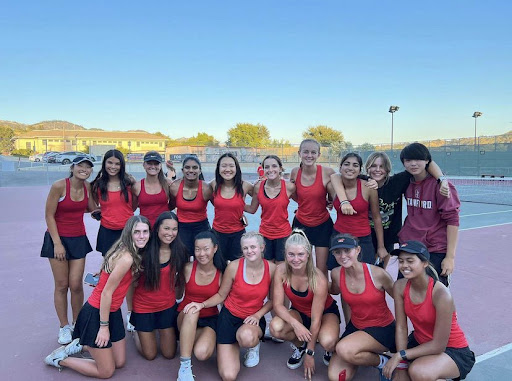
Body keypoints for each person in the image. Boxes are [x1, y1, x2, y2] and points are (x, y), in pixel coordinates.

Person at [44, 216, 151, 378]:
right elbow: (107, 293)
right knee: (106, 371)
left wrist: (102, 277)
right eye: (137, 232)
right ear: (129, 233)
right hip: (97, 312)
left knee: (120, 362)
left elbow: (109, 271)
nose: (141, 236)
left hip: (112, 310)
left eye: (145, 232)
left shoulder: (126, 248)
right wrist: (103, 327)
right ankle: (59, 358)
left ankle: (83, 345)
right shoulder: (127, 258)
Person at [183, 231, 276, 381]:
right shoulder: (233, 267)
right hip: (229, 318)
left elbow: (273, 301)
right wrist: (202, 304)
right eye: (245, 248)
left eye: (253, 247)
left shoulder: (272, 269)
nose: (249, 251)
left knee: (246, 337)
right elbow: (221, 295)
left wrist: (258, 315)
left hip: (252, 319)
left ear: (262, 247)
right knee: (228, 376)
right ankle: (232, 344)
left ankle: (253, 346)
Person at [333, 152, 450, 268]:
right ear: (367, 168)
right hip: (366, 235)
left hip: (388, 235)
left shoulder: (397, 182)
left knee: (380, 271)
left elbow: (428, 162)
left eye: (382, 166)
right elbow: (335, 177)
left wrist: (442, 179)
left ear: (387, 169)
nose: (377, 170)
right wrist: (342, 201)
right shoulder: (362, 180)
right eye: (373, 166)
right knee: (361, 270)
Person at [382, 241, 475, 381]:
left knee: (419, 372)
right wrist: (401, 364)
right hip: (420, 343)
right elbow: (401, 327)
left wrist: (401, 354)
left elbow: (438, 345)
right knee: (399, 376)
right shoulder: (400, 287)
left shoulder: (441, 295)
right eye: (401, 261)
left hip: (451, 349)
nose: (404, 266)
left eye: (410, 261)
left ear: (425, 263)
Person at [270, 230, 340, 381]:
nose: (296, 259)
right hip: (299, 312)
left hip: (324, 313)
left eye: (300, 254)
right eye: (291, 254)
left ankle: (322, 348)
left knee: (327, 341)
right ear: (285, 254)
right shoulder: (281, 271)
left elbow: (316, 319)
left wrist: (311, 353)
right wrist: (296, 324)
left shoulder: (318, 279)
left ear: (308, 254)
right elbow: (277, 305)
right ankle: (301, 345)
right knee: (276, 327)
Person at [41, 156, 96, 345]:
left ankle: (77, 324)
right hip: (57, 239)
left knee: (76, 285)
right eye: (80, 165)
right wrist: (57, 243)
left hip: (79, 238)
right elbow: (49, 214)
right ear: (72, 167)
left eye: (88, 167)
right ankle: (64, 326)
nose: (84, 169)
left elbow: (91, 208)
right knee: (62, 285)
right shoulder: (59, 186)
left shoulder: (87, 187)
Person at [328, 234, 396, 381]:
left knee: (343, 349)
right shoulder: (336, 274)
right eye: (337, 252)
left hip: (382, 328)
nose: (343, 256)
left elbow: (400, 300)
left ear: (358, 250)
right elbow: (334, 291)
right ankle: (363, 352)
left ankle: (382, 362)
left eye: (347, 250)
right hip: (356, 327)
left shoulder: (378, 274)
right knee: (335, 377)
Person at [397, 143, 460, 286]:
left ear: (427, 161)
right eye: (408, 160)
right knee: (404, 292)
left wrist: (450, 257)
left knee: (433, 297)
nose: (413, 164)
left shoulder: (442, 186)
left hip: (434, 250)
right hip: (409, 247)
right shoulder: (405, 182)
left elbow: (453, 220)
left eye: (418, 159)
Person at [129, 212, 188, 360]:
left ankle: (154, 330)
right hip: (143, 306)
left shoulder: (180, 250)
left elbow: (180, 280)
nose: (170, 233)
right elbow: (130, 283)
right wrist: (130, 310)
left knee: (169, 354)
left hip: (166, 306)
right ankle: (137, 330)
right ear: (157, 229)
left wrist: (178, 299)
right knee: (150, 355)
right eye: (166, 228)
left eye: (174, 229)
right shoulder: (143, 250)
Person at [176, 230, 226, 381]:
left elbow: (223, 299)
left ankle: (189, 339)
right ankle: (184, 367)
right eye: (197, 249)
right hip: (185, 316)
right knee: (192, 309)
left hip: (209, 319)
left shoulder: (222, 272)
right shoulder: (187, 268)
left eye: (206, 249)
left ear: (215, 248)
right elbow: (177, 296)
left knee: (202, 353)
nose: (201, 253)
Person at [329, 153, 386, 267]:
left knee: (364, 275)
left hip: (363, 238)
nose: (350, 168)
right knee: (338, 275)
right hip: (339, 236)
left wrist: (381, 246)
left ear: (360, 170)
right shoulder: (332, 187)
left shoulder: (368, 188)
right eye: (346, 164)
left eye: (355, 165)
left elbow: (376, 217)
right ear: (340, 168)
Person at [289, 139, 335, 276]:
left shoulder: (328, 172)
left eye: (313, 152)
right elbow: (295, 195)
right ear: (299, 153)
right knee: (299, 268)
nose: (309, 155)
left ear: (319, 154)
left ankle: (323, 296)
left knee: (321, 270)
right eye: (306, 152)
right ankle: (302, 296)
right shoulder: (295, 172)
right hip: (301, 225)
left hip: (322, 226)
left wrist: (330, 200)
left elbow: (340, 187)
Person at [246, 155, 296, 264]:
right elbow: (252, 209)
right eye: (267, 167)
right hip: (265, 234)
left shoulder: (289, 187)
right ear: (263, 170)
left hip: (283, 234)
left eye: (274, 166)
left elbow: (303, 201)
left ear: (280, 169)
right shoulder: (258, 187)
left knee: (281, 269)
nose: (270, 170)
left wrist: (327, 201)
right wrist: (235, 204)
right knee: (268, 268)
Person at [91, 149, 136, 256]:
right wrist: (100, 211)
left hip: (127, 229)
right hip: (107, 232)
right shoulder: (98, 184)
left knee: (130, 265)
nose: (113, 166)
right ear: (104, 163)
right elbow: (93, 206)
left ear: (122, 165)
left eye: (117, 164)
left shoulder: (130, 182)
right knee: (109, 266)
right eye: (110, 162)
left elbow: (133, 206)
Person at [211, 153, 254, 261]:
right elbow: (210, 200)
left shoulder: (245, 186)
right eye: (224, 166)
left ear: (236, 168)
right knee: (218, 266)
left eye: (231, 166)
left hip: (237, 234)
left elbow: (262, 194)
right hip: (218, 234)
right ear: (218, 168)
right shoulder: (213, 185)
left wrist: (239, 209)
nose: (227, 169)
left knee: (238, 267)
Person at [170, 155, 212, 255]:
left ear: (200, 171)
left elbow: (220, 206)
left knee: (203, 257)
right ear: (183, 170)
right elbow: (169, 206)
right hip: (182, 227)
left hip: (202, 226)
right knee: (182, 259)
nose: (191, 170)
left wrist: (239, 215)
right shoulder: (175, 187)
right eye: (187, 167)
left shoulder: (206, 189)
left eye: (195, 167)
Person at [132, 151, 171, 227]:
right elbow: (132, 208)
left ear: (160, 166)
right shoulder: (137, 186)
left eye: (156, 163)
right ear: (144, 165)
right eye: (149, 163)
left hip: (164, 227)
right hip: (145, 228)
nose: (153, 166)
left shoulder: (168, 184)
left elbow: (173, 204)